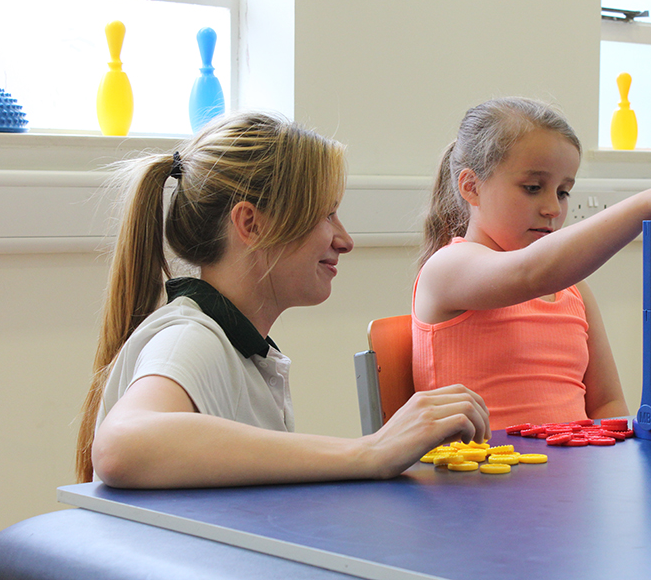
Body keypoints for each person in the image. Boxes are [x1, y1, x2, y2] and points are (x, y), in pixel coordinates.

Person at [75, 112, 489, 489]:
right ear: (251, 224)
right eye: (326, 215)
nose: (345, 240)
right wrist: (370, 451)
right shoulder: (191, 339)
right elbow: (122, 445)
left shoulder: (239, 346)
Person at [412, 97, 651, 429]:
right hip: (472, 483)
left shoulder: (573, 292)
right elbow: (530, 273)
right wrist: (645, 207)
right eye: (533, 187)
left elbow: (607, 405)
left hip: (566, 485)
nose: (552, 207)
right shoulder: (447, 268)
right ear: (470, 187)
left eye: (563, 191)